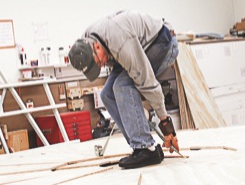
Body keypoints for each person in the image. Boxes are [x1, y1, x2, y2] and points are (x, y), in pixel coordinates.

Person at [68, 10, 180, 169]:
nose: (101, 65)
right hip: (135, 46)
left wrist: (165, 122)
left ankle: (146, 147)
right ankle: (139, 146)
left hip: (162, 42)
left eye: (99, 62)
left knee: (122, 86)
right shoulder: (87, 41)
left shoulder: (119, 41)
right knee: (107, 94)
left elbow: (147, 82)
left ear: (97, 46)